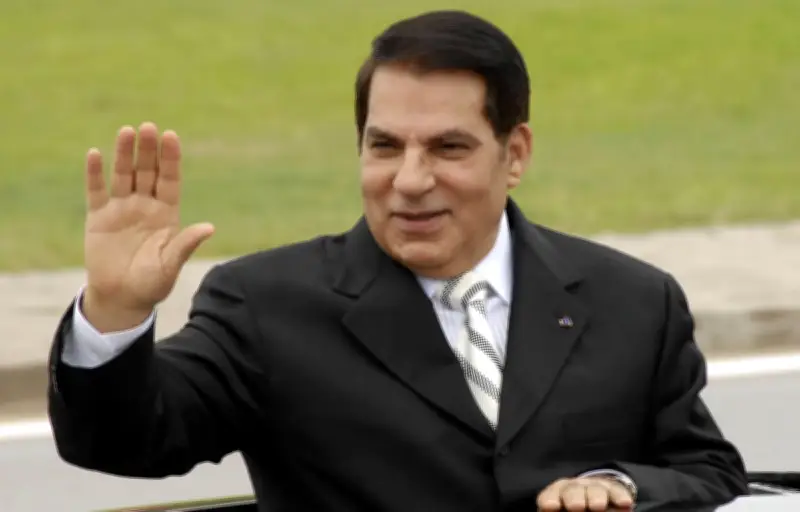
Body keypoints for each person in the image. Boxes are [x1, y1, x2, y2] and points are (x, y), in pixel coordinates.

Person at [47, 9, 748, 512]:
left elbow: (709, 472)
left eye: (448, 148)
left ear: (515, 154)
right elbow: (122, 443)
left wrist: (620, 486)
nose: (410, 180)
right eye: (385, 146)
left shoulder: (634, 301)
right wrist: (116, 311)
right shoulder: (265, 306)